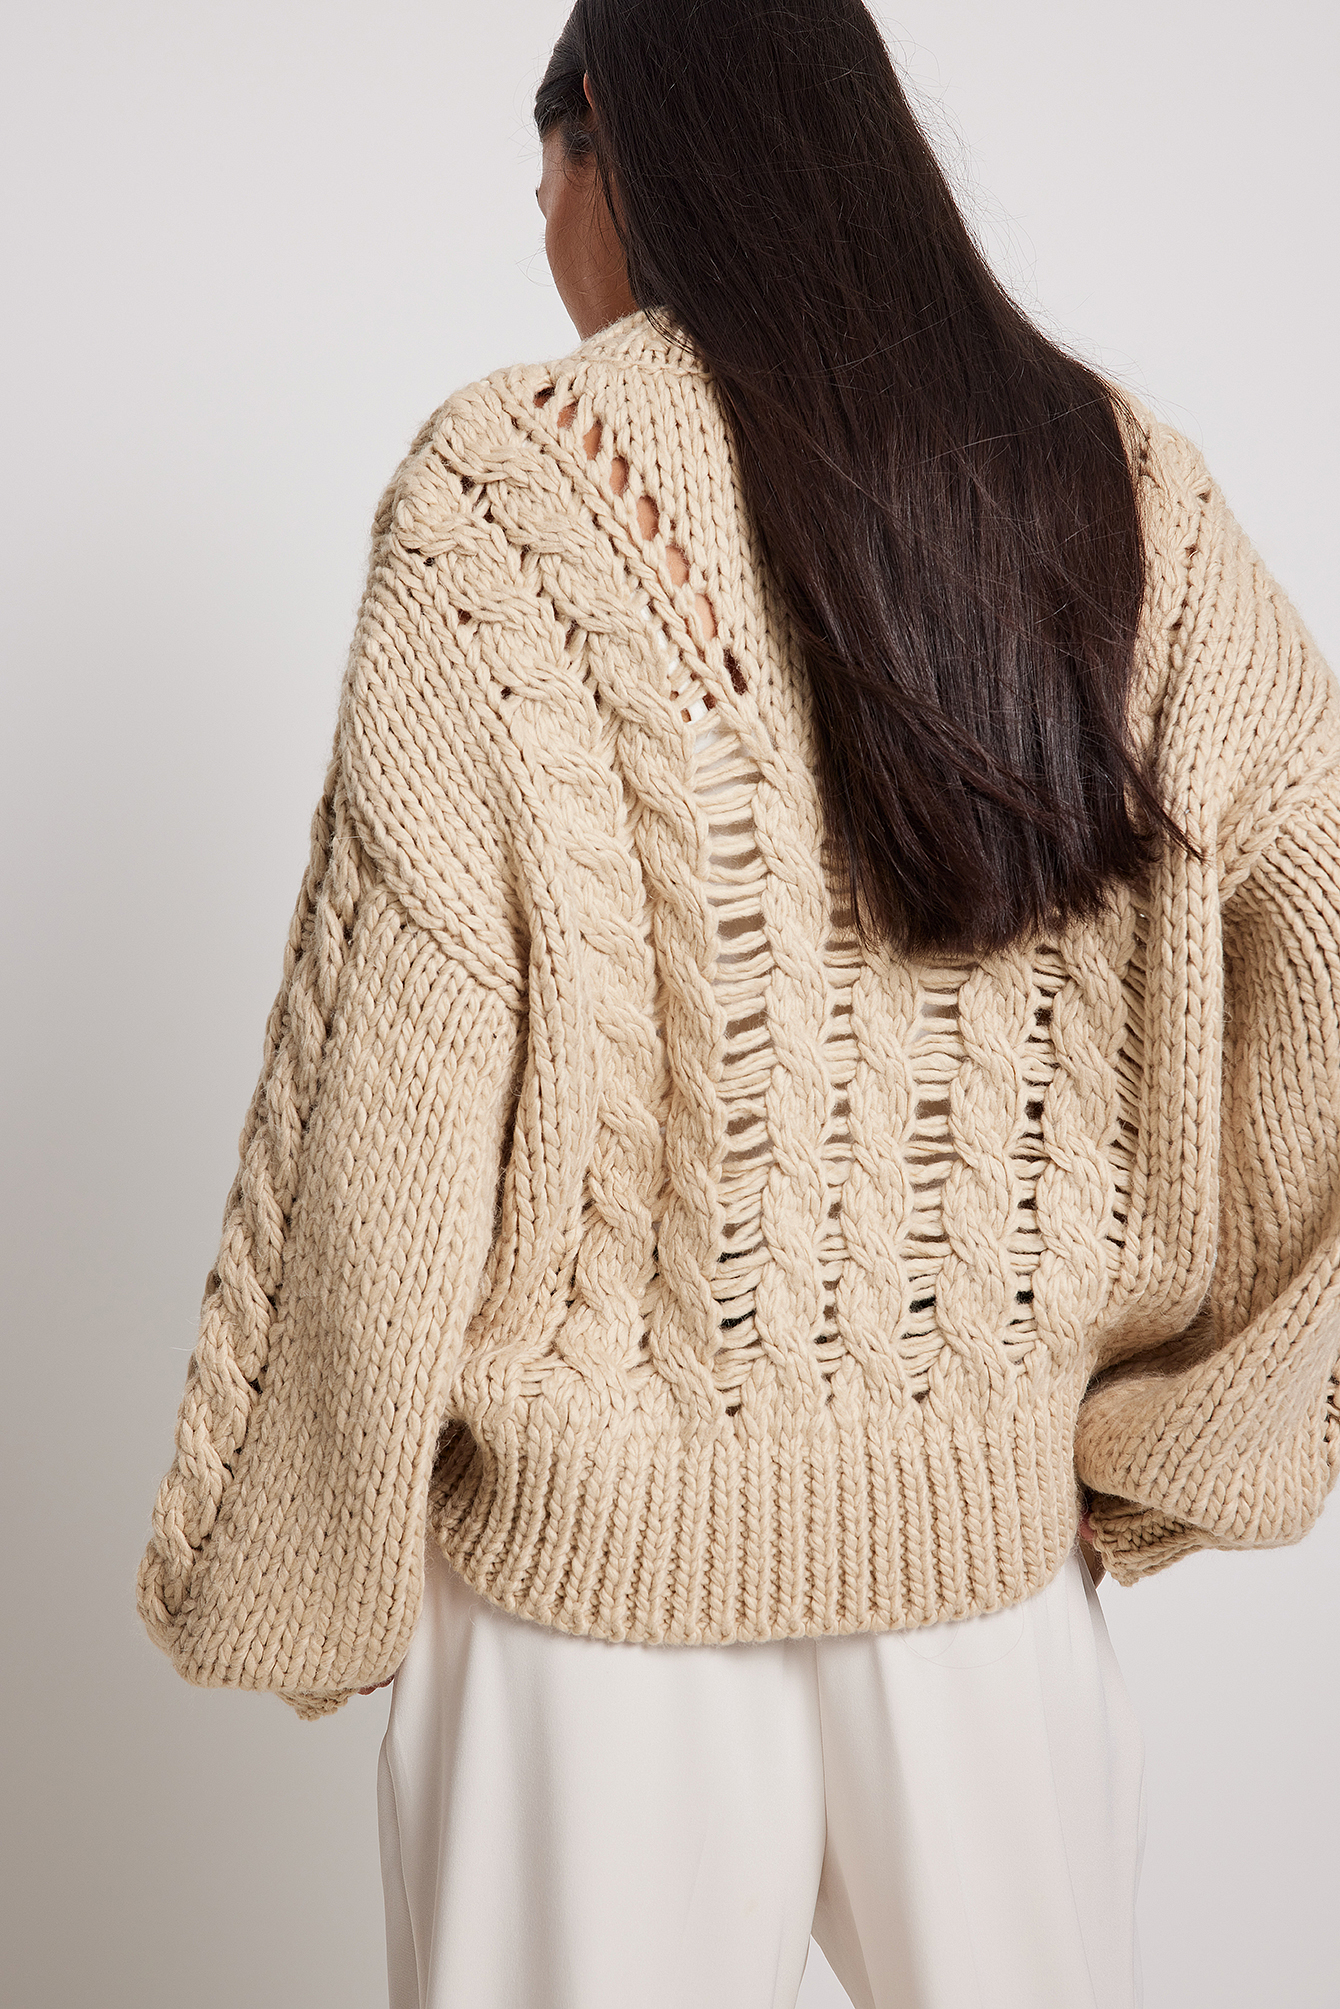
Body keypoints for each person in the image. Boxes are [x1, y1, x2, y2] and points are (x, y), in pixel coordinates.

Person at [136, 3, 1340, 2005]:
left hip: (584, 1629)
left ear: (614, 137)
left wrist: (301, 1556)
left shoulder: (501, 499)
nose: (542, 233)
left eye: (544, 177)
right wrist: (1193, 1433)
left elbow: (396, 1084)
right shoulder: (1116, 483)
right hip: (989, 1606)